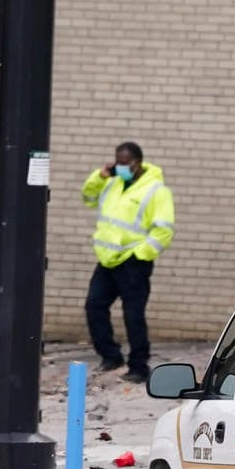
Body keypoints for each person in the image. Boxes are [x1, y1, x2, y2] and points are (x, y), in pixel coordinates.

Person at [80, 141, 175, 385]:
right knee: (94, 306)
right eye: (117, 162)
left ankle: (139, 367)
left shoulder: (156, 190)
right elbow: (88, 197)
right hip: (108, 261)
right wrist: (99, 176)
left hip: (133, 263)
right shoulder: (112, 183)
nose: (120, 167)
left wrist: (140, 254)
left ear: (137, 163)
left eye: (124, 163)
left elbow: (163, 230)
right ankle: (111, 356)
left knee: (133, 316)